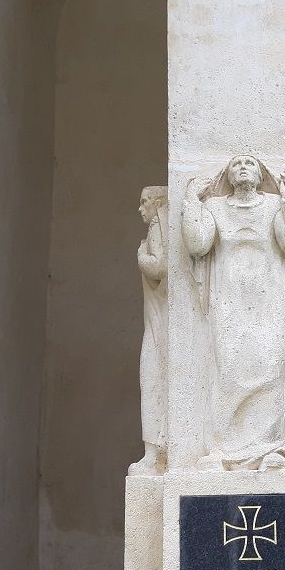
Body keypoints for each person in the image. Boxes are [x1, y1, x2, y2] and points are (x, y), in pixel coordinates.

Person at [182, 153, 285, 469]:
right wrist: (191, 201)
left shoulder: (275, 206)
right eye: (236, 164)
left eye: (249, 163)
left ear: (261, 173)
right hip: (230, 301)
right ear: (228, 175)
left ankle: (271, 449)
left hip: (271, 301)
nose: (243, 167)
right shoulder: (215, 208)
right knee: (229, 371)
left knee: (272, 369)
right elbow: (197, 244)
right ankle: (225, 451)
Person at [129, 185, 167, 473]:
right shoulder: (159, 227)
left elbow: (159, 266)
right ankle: (154, 452)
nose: (141, 209)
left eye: (144, 203)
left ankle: (155, 454)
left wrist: (141, 255)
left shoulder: (157, 227)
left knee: (153, 376)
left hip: (161, 325)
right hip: (158, 320)